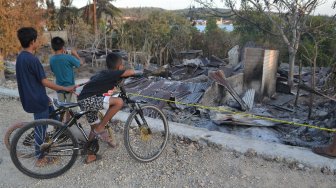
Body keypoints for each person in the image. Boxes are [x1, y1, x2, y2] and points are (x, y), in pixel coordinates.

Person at [16, 27, 75, 166]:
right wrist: (64, 88)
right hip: (38, 99)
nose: (38, 42)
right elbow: (44, 82)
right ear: (32, 41)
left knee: (55, 118)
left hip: (32, 98)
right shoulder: (33, 60)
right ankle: (40, 158)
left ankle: (53, 143)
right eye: (36, 40)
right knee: (41, 128)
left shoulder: (20, 58)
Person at [77, 52, 143, 164]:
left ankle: (90, 155)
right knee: (119, 102)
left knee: (94, 127)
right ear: (118, 66)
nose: (122, 67)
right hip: (89, 100)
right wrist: (141, 71)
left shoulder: (104, 73)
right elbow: (130, 72)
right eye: (122, 65)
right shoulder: (114, 73)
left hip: (84, 100)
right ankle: (101, 128)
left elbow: (93, 80)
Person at [50, 37, 83, 103]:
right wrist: (75, 54)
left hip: (59, 88)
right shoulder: (68, 57)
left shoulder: (51, 59)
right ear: (62, 47)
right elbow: (81, 63)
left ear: (53, 48)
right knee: (71, 109)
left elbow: (53, 71)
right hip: (70, 87)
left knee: (62, 109)